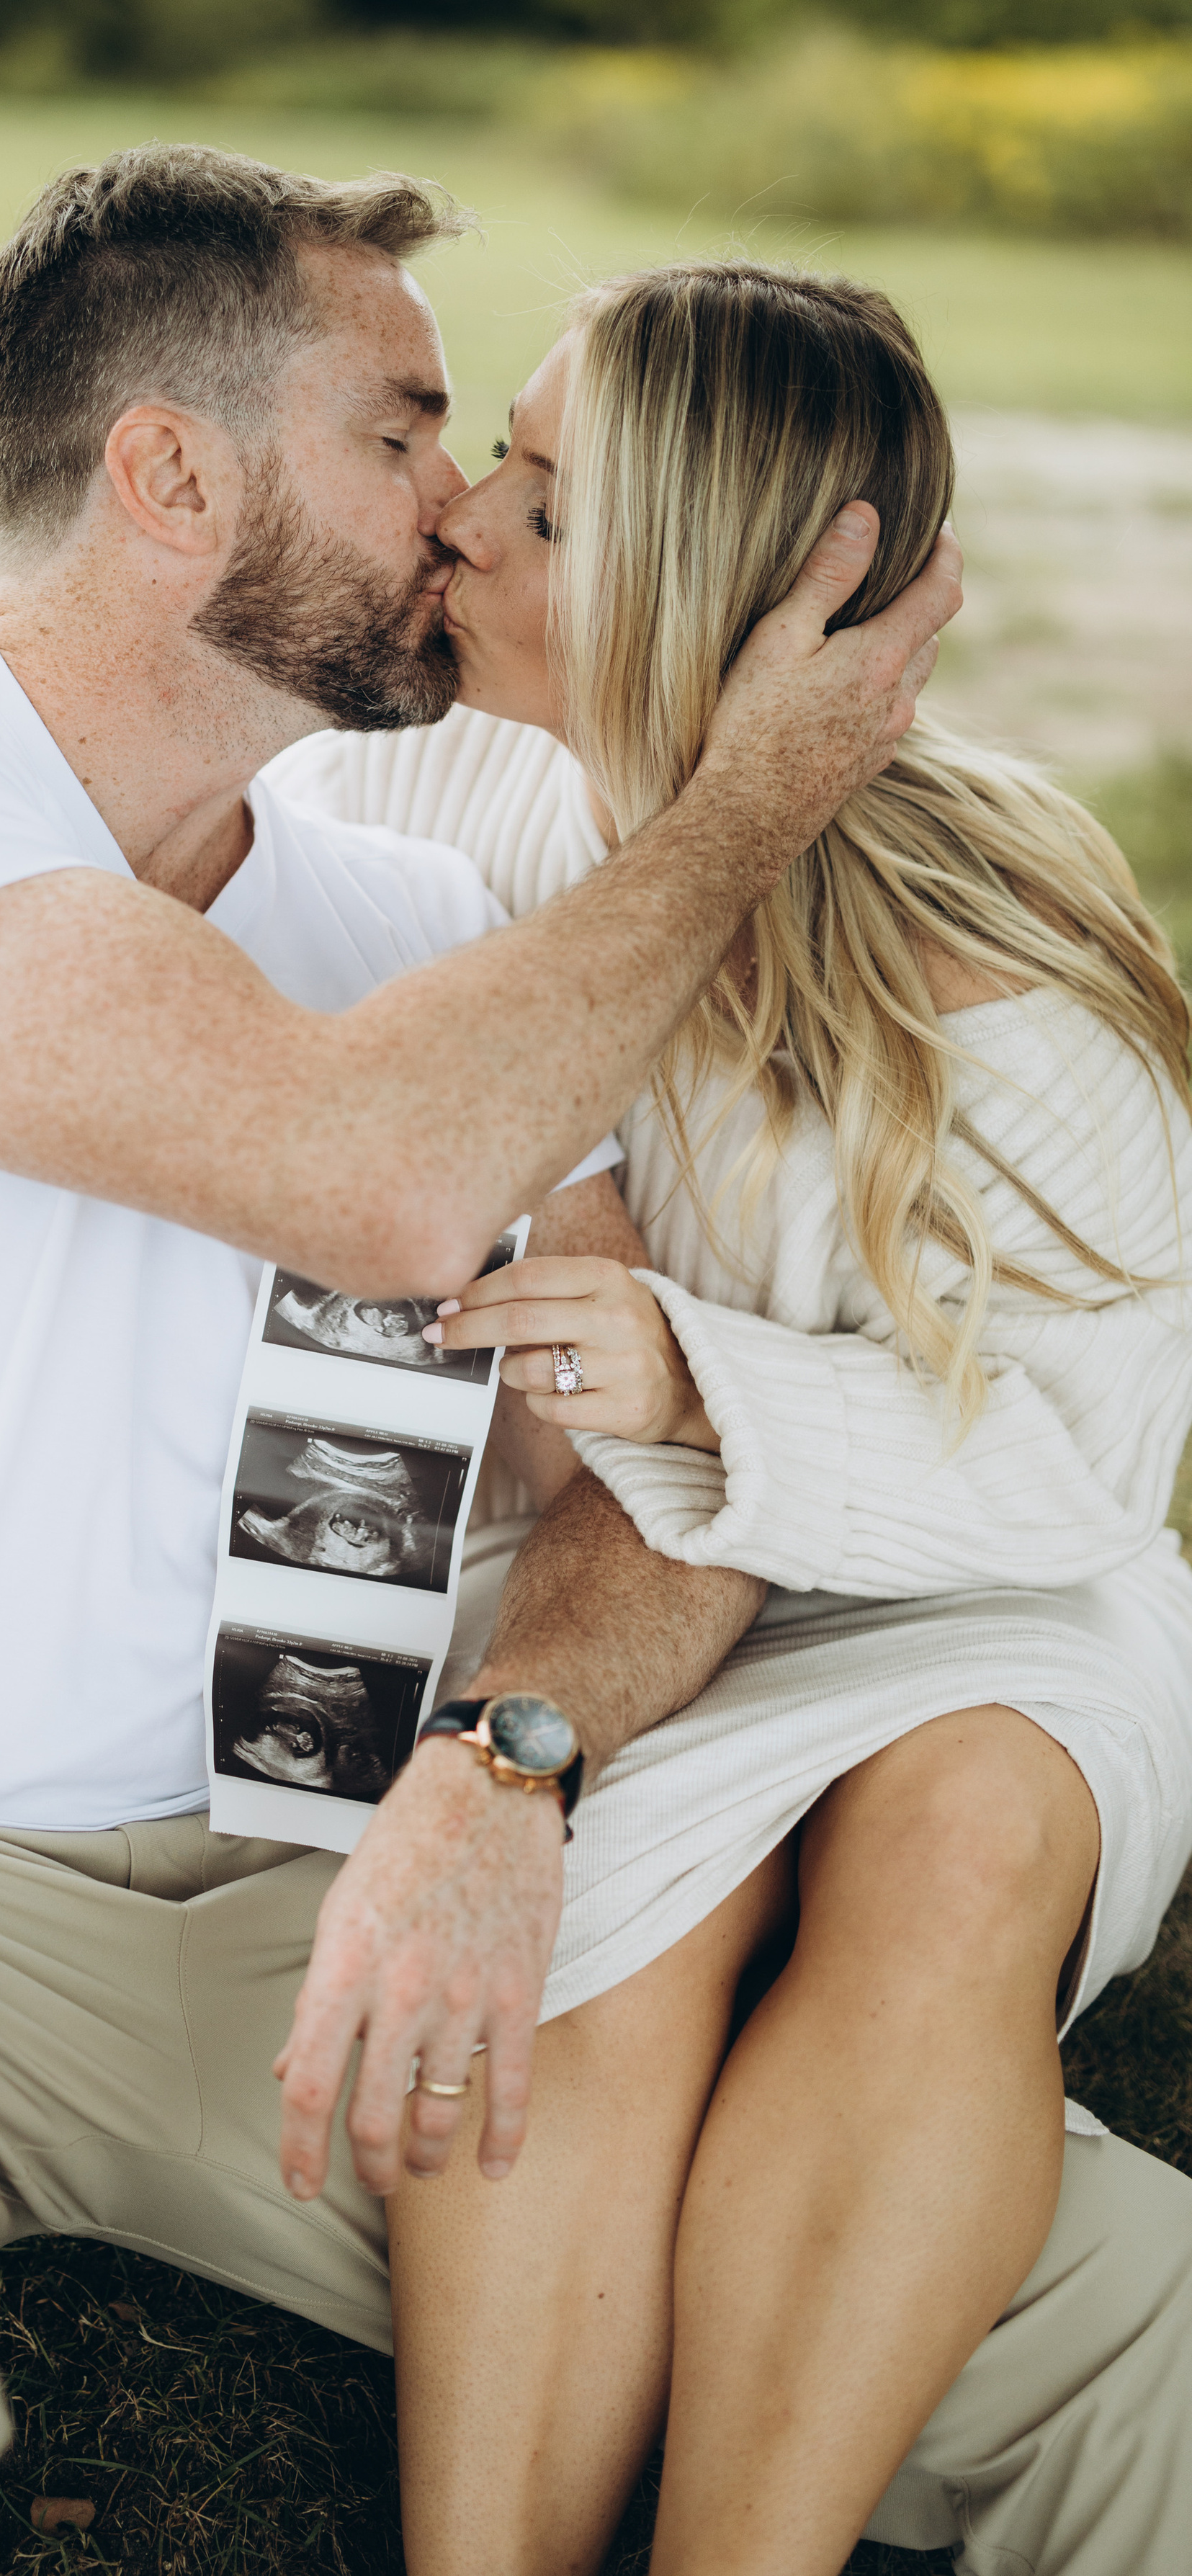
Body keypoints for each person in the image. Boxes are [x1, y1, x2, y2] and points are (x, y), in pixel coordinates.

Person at [0, 138, 1078, 2576]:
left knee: (1078, 2318)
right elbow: (378, 1171)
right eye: (407, 432)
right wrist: (755, 797)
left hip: (271, 1892)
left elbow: (632, 1463)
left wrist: (500, 1760)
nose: (460, 507)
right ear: (173, 473)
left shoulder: (418, 907)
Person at [256, 262, 1192, 2576]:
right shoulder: (451, 779)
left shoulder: (1006, 966)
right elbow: (154, 767)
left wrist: (705, 1378)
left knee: (960, 1834)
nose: (462, 515)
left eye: (550, 507)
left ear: (702, 607)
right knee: (609, 1885)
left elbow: (1074, 1463)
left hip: (991, 1603)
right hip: (648, 1576)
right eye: (503, 458)